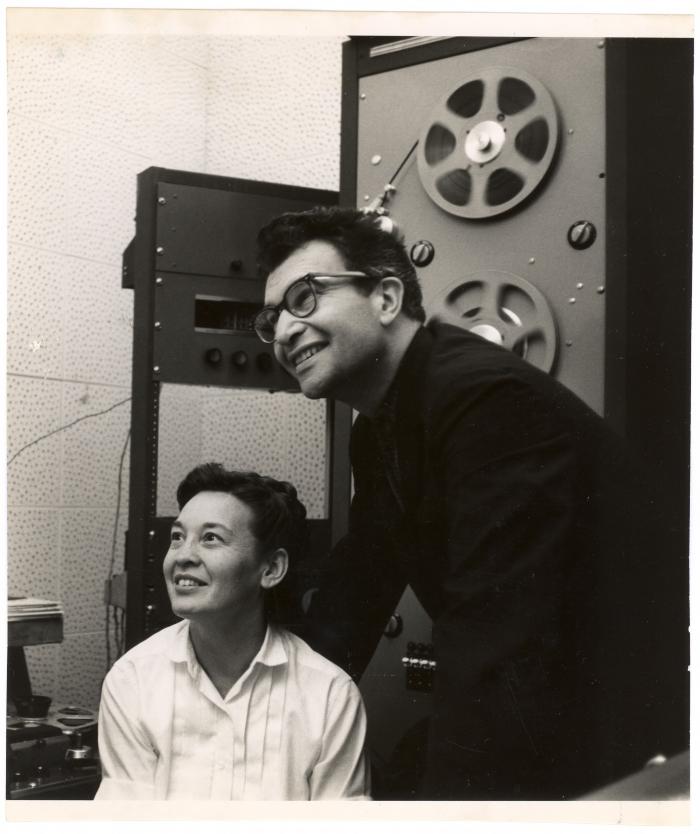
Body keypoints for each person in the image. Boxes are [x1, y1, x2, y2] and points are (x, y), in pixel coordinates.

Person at [254, 205, 683, 800]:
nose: (283, 332)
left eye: (305, 298)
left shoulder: (485, 400)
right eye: (271, 319)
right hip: (552, 710)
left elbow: (495, 643)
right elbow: (356, 592)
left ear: (385, 298)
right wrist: (264, 718)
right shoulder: (379, 428)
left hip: (637, 734)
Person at [96, 463, 370, 800]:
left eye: (210, 538)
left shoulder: (330, 696)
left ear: (271, 568)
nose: (182, 556)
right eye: (177, 537)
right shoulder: (132, 680)